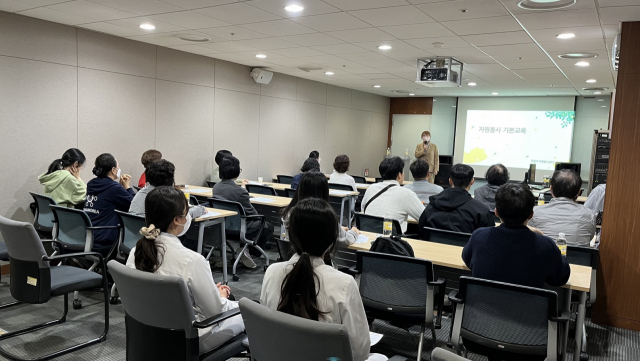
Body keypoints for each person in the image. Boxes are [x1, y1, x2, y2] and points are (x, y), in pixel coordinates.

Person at [261, 198, 387, 361]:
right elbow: (360, 352)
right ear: (331, 242)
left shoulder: (272, 272)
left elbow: (266, 327)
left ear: (291, 236)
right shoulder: (345, 284)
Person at [126, 186, 244, 354]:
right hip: (185, 340)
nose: (188, 217)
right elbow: (214, 312)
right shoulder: (192, 261)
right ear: (177, 220)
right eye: (186, 212)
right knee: (249, 312)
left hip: (146, 335)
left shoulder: (135, 253)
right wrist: (219, 297)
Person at [462, 183, 571, 289]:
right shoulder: (544, 245)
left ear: (496, 212)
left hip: (482, 306)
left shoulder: (479, 236)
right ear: (531, 215)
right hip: (526, 307)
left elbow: (468, 261)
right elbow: (560, 278)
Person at [212, 155, 274, 268]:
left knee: (244, 220)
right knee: (267, 225)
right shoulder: (240, 191)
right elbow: (254, 215)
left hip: (223, 227)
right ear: (236, 171)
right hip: (239, 229)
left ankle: (244, 251)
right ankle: (251, 253)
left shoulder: (216, 187)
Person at [281, 171, 359, 248]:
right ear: (324, 192)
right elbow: (345, 240)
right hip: (315, 260)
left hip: (293, 258)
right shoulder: (324, 216)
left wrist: (338, 228)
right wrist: (354, 232)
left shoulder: (290, 213)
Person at [419, 164, 494, 236]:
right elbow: (488, 238)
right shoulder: (480, 210)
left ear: (450, 181)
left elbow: (421, 230)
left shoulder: (432, 205)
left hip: (431, 248)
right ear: (472, 182)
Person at [84, 153, 135, 256]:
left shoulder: (91, 184)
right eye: (118, 167)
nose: (119, 170)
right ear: (113, 170)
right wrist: (127, 187)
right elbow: (134, 205)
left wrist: (121, 189)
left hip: (88, 236)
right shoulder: (114, 187)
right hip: (104, 239)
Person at [528, 169, 596, 246]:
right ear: (579, 192)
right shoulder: (590, 215)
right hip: (576, 258)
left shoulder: (534, 212)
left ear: (551, 189)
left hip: (543, 257)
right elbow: (589, 237)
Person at [362, 157, 424, 234]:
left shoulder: (371, 188)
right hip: (392, 242)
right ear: (399, 175)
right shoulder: (406, 193)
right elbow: (424, 218)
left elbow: (363, 210)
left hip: (368, 237)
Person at [129, 159, 206, 219]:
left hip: (134, 237)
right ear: (170, 179)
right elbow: (182, 217)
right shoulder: (165, 197)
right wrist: (201, 209)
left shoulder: (141, 192)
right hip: (157, 237)